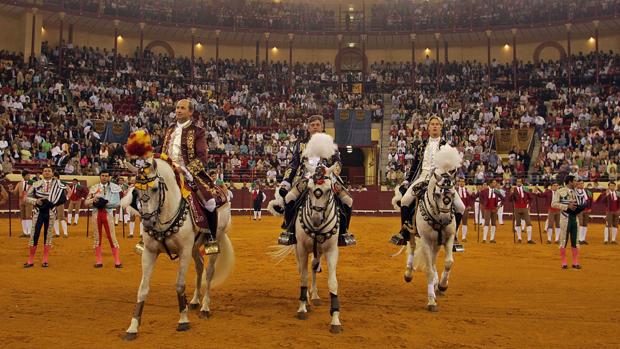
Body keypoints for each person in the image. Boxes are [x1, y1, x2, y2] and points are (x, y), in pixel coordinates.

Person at [277, 114, 356, 247]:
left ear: (322, 127)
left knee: (348, 200)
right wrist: (286, 181)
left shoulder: (330, 143)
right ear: (308, 128)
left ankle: (343, 233)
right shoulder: (300, 144)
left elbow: (338, 163)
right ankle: (290, 232)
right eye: (312, 125)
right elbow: (293, 164)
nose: (315, 127)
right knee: (289, 197)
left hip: (328, 178)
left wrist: (331, 172)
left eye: (317, 125)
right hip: (305, 178)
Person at [160, 99, 226, 254]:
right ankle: (147, 234)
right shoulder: (169, 129)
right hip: (167, 170)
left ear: (190, 112)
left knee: (209, 202)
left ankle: (210, 237)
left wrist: (185, 170)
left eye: (182, 108)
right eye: (177, 108)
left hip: (189, 172)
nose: (178, 111)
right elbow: (164, 151)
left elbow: (202, 157)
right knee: (143, 190)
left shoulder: (198, 131)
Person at [390, 115, 465, 246]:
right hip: (423, 177)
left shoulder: (446, 147)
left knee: (461, 207)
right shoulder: (421, 145)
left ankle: (454, 236)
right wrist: (408, 180)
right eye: (432, 124)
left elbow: (453, 167)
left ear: (441, 128)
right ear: (428, 128)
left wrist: (446, 176)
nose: (435, 126)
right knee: (405, 200)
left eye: (437, 124)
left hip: (440, 179)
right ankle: (404, 231)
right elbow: (415, 165)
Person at [23, 167, 67, 268]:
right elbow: (26, 198)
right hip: (38, 212)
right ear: (42, 173)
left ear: (52, 173)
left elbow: (63, 198)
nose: (47, 172)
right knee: (34, 234)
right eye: (45, 171)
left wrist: (54, 204)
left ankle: (45, 259)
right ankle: (30, 259)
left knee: (48, 236)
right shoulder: (36, 184)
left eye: (49, 171)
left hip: (51, 212)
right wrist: (35, 201)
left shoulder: (58, 184)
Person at [86, 170, 123, 268]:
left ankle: (117, 261)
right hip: (96, 214)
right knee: (97, 237)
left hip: (108, 214)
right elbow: (86, 202)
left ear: (109, 177)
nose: (104, 177)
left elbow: (117, 203)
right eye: (102, 176)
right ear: (100, 176)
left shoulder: (115, 188)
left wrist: (104, 203)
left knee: (112, 237)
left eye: (106, 176)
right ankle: (99, 261)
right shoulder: (94, 188)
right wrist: (93, 200)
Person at [552, 175, 587, 269]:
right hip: (565, 218)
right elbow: (554, 204)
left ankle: (575, 262)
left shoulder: (577, 192)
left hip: (575, 218)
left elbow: (580, 203)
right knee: (563, 240)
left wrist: (580, 207)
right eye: (575, 181)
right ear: (570, 182)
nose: (577, 183)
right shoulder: (560, 191)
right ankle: (564, 262)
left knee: (575, 240)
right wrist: (567, 207)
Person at [475, 179, 504, 243]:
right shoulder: (484, 191)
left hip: (494, 209)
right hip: (487, 208)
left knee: (493, 224)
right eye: (493, 183)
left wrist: (499, 206)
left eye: (495, 183)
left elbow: (503, 199)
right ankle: (484, 239)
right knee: (486, 222)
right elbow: (477, 196)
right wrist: (482, 203)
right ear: (490, 184)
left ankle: (492, 239)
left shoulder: (497, 191)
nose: (495, 184)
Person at [509, 178, 536, 244]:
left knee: (529, 223)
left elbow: (531, 198)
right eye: (517, 181)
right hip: (517, 208)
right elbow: (510, 199)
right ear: (516, 182)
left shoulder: (526, 189)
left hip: (524, 208)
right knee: (518, 223)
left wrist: (529, 205)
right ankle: (519, 238)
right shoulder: (513, 189)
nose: (518, 183)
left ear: (522, 182)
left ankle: (529, 239)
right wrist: (512, 193)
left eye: (520, 181)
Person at [10, 170, 33, 238]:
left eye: (29, 175)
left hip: (29, 201)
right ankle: (25, 232)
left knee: (28, 216)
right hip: (21, 202)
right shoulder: (19, 184)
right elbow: (15, 193)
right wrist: (11, 190)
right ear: (24, 176)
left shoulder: (32, 183)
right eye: (28, 175)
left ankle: (29, 232)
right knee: (23, 217)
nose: (29, 176)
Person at [456, 178, 473, 242]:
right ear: (458, 182)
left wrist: (469, 206)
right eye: (460, 181)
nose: (461, 183)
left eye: (463, 181)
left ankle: (463, 237)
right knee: (457, 223)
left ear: (465, 183)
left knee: (464, 223)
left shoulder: (467, 190)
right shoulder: (456, 190)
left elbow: (471, 199)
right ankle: (456, 237)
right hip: (457, 209)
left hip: (465, 209)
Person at [575, 181, 593, 245]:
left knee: (585, 224)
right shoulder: (574, 192)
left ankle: (583, 239)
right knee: (580, 223)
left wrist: (590, 208)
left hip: (586, 210)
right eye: (579, 183)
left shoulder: (588, 192)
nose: (581, 185)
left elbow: (591, 200)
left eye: (582, 183)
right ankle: (579, 239)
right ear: (577, 184)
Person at [52, 172, 69, 238]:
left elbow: (69, 191)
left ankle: (65, 233)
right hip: (52, 202)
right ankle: (57, 233)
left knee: (61, 217)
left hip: (59, 202)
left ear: (57, 177)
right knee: (54, 217)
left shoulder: (62, 183)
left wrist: (66, 198)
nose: (53, 178)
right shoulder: (51, 184)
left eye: (54, 176)